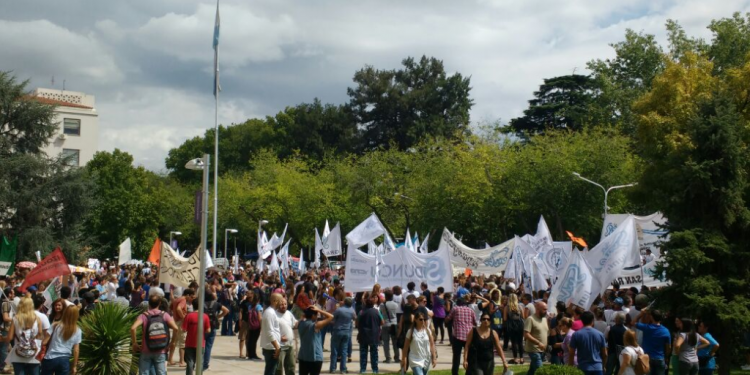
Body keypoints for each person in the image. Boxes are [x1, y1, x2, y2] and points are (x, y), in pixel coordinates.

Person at [130, 295, 179, 375]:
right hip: (161, 350)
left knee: (144, 373)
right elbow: (176, 328)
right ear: (159, 303)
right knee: (161, 372)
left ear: (149, 303)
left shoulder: (143, 315)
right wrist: (172, 342)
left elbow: (133, 328)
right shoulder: (164, 315)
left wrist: (134, 343)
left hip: (146, 350)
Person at [6, 296, 43, 375]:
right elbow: (40, 335)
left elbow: (10, 337)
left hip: (18, 353)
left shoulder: (15, 318)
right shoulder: (37, 319)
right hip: (34, 353)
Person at [40, 305, 81, 375]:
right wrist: (74, 366)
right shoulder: (77, 330)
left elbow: (44, 342)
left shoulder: (55, 325)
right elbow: (76, 350)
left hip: (50, 357)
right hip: (64, 360)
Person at [445, 295, 477, 375]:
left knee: (456, 357)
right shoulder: (470, 310)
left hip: (458, 336)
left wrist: (447, 321)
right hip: (469, 336)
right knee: (470, 356)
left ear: (458, 303)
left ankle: (455, 373)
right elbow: (475, 322)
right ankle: (469, 372)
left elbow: (448, 318)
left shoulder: (455, 309)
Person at [569, 311, 608, 375]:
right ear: (592, 320)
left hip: (583, 367)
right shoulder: (600, 334)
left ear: (582, 320)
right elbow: (605, 354)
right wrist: (603, 366)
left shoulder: (576, 334)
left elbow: (571, 353)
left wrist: (570, 367)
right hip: (598, 368)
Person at [298, 306, 334, 375]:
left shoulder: (300, 323)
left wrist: (305, 314)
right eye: (316, 315)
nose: (317, 317)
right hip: (315, 357)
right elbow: (331, 317)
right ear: (313, 316)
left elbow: (301, 319)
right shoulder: (315, 325)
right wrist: (319, 310)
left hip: (303, 356)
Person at [635, 309, 671, 375]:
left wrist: (641, 314)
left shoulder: (647, 328)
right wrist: (666, 358)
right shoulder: (666, 331)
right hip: (660, 358)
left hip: (648, 357)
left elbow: (633, 323)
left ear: (651, 317)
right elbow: (668, 347)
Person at [402, 311, 437, 375]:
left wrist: (434, 358)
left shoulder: (428, 331)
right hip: (415, 359)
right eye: (420, 319)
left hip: (426, 358)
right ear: (415, 320)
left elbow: (432, 345)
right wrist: (404, 359)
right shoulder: (411, 331)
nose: (423, 321)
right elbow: (405, 347)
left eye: (424, 319)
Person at [182, 298, 210, 375]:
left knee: (190, 362)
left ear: (193, 306)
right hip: (201, 343)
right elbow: (208, 330)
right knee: (200, 362)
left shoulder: (188, 316)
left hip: (189, 343)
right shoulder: (205, 316)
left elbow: (184, 329)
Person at [203, 291, 228, 371]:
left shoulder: (201, 304)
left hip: (203, 326)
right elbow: (226, 310)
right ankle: (205, 364)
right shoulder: (216, 304)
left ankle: (198, 361)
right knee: (208, 346)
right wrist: (218, 316)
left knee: (200, 345)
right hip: (212, 326)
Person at [357, 294, 382, 374]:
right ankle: (375, 369)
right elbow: (382, 322)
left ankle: (363, 369)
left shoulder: (361, 312)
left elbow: (356, 322)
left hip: (363, 335)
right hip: (374, 335)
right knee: (374, 353)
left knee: (363, 353)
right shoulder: (377, 312)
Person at [168, 288, 193, 367]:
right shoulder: (183, 300)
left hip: (175, 321)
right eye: (191, 297)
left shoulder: (177, 299)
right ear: (188, 295)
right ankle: (182, 361)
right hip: (180, 322)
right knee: (182, 342)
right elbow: (179, 308)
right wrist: (183, 318)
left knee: (174, 341)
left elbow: (171, 307)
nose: (191, 299)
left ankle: (170, 359)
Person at [330, 297, 355, 374]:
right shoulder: (352, 310)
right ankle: (343, 369)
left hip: (337, 330)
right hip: (347, 331)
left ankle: (333, 368)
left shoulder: (339, 310)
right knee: (344, 351)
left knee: (334, 350)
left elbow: (332, 319)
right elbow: (355, 318)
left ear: (344, 302)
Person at [261, 293, 284, 375]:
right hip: (271, 348)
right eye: (281, 301)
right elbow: (269, 332)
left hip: (273, 347)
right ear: (275, 301)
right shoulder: (269, 313)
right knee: (270, 371)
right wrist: (277, 347)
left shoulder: (272, 312)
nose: (282, 303)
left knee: (272, 370)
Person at [524, 302, 549, 375]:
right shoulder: (530, 319)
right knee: (540, 371)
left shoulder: (544, 319)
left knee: (532, 371)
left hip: (542, 350)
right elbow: (526, 334)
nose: (546, 311)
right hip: (534, 349)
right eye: (544, 309)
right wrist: (538, 343)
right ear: (538, 309)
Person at [276, 298, 298, 375]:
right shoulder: (274, 316)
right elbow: (270, 331)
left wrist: (303, 321)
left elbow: (295, 323)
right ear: (277, 305)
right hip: (280, 347)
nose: (284, 306)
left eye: (285, 304)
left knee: (291, 367)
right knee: (278, 369)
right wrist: (279, 338)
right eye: (282, 304)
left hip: (290, 346)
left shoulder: (289, 313)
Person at [379, 291, 400, 364]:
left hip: (385, 324)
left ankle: (388, 358)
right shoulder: (395, 304)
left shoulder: (382, 305)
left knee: (386, 342)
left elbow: (380, 313)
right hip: (394, 324)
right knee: (395, 342)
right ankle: (397, 357)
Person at [504, 293, 525, 364]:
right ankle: (521, 358)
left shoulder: (507, 307)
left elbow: (505, 318)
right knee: (520, 342)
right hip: (520, 324)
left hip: (511, 325)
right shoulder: (520, 306)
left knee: (513, 342)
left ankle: (515, 358)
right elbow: (523, 316)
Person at [247, 293, 263, 361]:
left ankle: (250, 354)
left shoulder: (250, 306)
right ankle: (254, 354)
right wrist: (261, 326)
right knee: (254, 340)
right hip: (257, 326)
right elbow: (259, 317)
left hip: (251, 325)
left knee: (250, 340)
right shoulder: (258, 306)